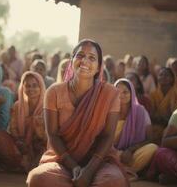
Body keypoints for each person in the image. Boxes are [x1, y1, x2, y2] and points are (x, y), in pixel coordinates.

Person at [26, 39, 129, 187]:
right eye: (80, 55)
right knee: (38, 178)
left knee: (113, 181)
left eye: (92, 58)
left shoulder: (110, 94)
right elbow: (53, 135)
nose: (85, 61)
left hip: (99, 161)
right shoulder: (54, 92)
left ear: (99, 67)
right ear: (72, 60)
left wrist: (89, 171)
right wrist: (74, 167)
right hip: (62, 159)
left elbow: (108, 136)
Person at [0, 71, 46, 172]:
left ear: (41, 87)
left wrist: (36, 125)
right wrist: (19, 142)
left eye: (35, 86)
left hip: (38, 148)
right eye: (28, 86)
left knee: (49, 149)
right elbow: (13, 128)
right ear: (22, 88)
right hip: (19, 147)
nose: (31, 89)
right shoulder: (17, 106)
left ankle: (15, 166)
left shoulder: (47, 107)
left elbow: (47, 137)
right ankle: (21, 165)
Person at [114, 79, 157, 177]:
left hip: (133, 154)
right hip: (114, 153)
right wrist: (118, 153)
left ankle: (124, 171)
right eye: (117, 92)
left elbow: (150, 138)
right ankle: (127, 172)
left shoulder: (141, 111)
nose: (121, 95)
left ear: (132, 93)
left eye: (125, 92)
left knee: (152, 148)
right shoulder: (110, 111)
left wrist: (130, 150)